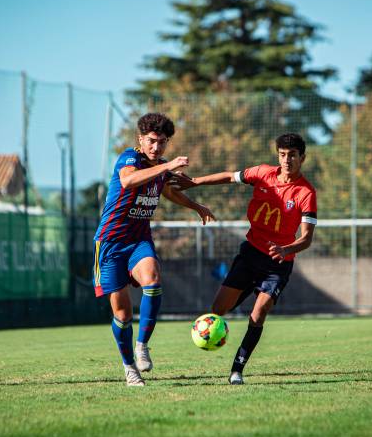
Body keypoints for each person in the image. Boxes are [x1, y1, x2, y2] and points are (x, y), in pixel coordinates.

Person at [176, 133, 317, 385]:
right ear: (278, 156)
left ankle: (237, 370)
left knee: (258, 313)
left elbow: (306, 239)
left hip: (278, 263)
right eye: (283, 155)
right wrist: (194, 182)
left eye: (293, 155)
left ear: (302, 158)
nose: (287, 160)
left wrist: (286, 250)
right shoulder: (262, 173)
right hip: (250, 253)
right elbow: (230, 176)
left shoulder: (306, 192)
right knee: (218, 310)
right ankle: (245, 291)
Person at [94, 113, 215, 386]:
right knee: (122, 315)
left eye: (161, 142)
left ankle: (142, 345)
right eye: (151, 141)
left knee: (153, 279)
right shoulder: (129, 158)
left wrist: (197, 207)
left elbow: (169, 192)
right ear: (140, 139)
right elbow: (128, 181)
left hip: (138, 240)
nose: (156, 147)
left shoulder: (161, 168)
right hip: (111, 243)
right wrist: (167, 166)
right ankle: (129, 368)